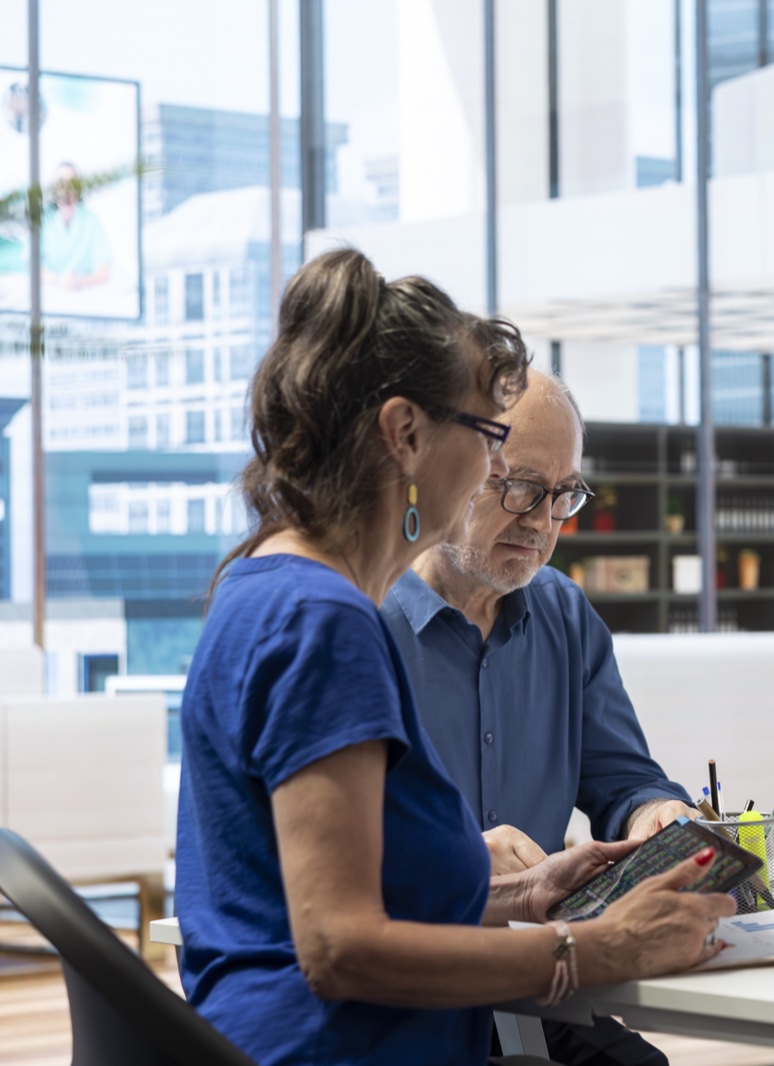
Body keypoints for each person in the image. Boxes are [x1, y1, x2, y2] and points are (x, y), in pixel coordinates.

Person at [175, 248, 735, 1066]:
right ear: (404, 434)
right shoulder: (325, 622)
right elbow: (341, 947)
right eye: (487, 440)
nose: (492, 468)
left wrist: (524, 890)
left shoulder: (263, 584)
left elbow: (336, 899)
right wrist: (599, 949)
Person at [381, 370, 696, 1064]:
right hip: (401, 1000)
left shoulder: (564, 614)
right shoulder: (361, 624)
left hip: (537, 990)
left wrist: (657, 819)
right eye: (518, 484)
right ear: (448, 467)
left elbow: (624, 781)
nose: (541, 519)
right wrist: (457, 858)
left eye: (564, 494)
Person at [41, 163, 111, 290]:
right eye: (61, 182)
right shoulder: (44, 220)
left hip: (85, 295)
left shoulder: (91, 221)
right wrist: (59, 280)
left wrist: (81, 282)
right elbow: (33, 269)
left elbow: (103, 272)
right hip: (51, 294)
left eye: (71, 183)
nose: (66, 188)